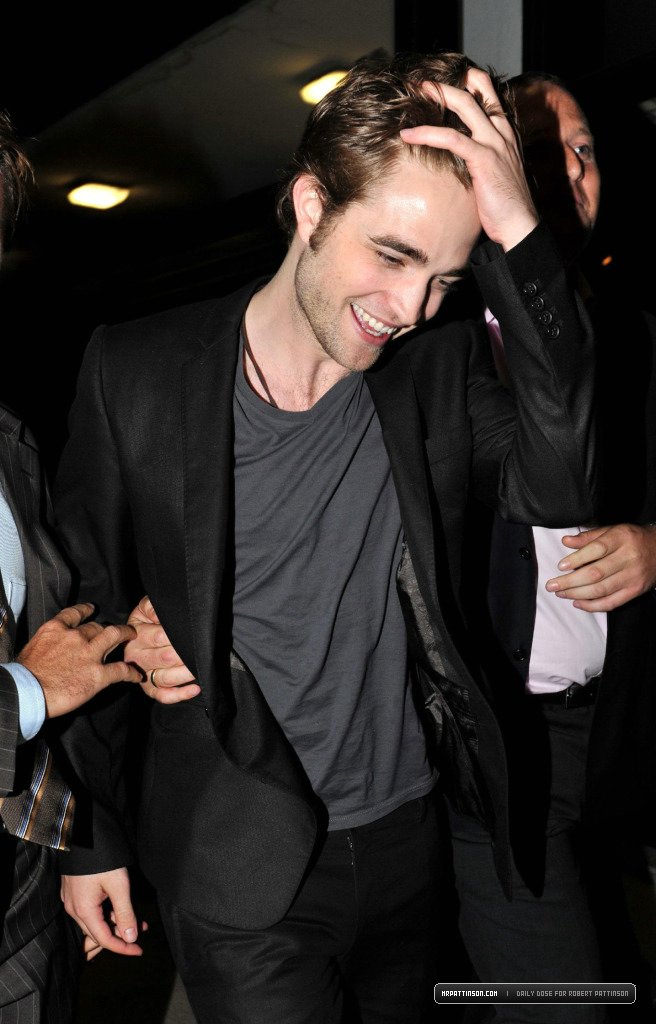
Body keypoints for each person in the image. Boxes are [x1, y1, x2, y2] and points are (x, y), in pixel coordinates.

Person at [52, 51, 596, 1024]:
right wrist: (89, 837)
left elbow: (561, 483)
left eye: (442, 277)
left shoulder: (433, 370)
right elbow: (79, 602)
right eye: (391, 255)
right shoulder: (135, 371)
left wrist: (518, 230)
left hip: (407, 836)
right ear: (311, 205)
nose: (409, 309)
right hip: (239, 864)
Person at [449, 73, 656, 1023]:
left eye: (586, 150)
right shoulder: (429, 336)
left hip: (611, 736)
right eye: (545, 151)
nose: (574, 170)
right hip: (485, 752)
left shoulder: (639, 338)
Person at [0, 110, 186, 1022]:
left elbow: (55, 637)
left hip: (23, 913)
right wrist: (25, 693)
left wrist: (83, 843)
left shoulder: (8, 440)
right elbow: (37, 676)